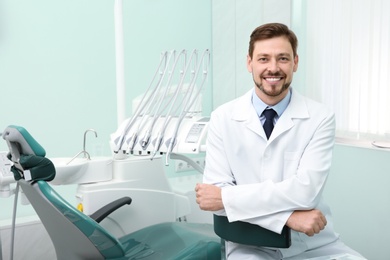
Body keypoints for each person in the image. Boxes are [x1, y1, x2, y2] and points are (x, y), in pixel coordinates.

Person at [195, 23, 364, 259]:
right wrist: (288, 218)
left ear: (295, 62)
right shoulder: (223, 118)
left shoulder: (320, 117)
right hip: (249, 245)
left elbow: (306, 193)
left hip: (313, 244)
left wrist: (226, 197)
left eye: (282, 58)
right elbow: (216, 206)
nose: (273, 68)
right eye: (263, 59)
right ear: (249, 63)